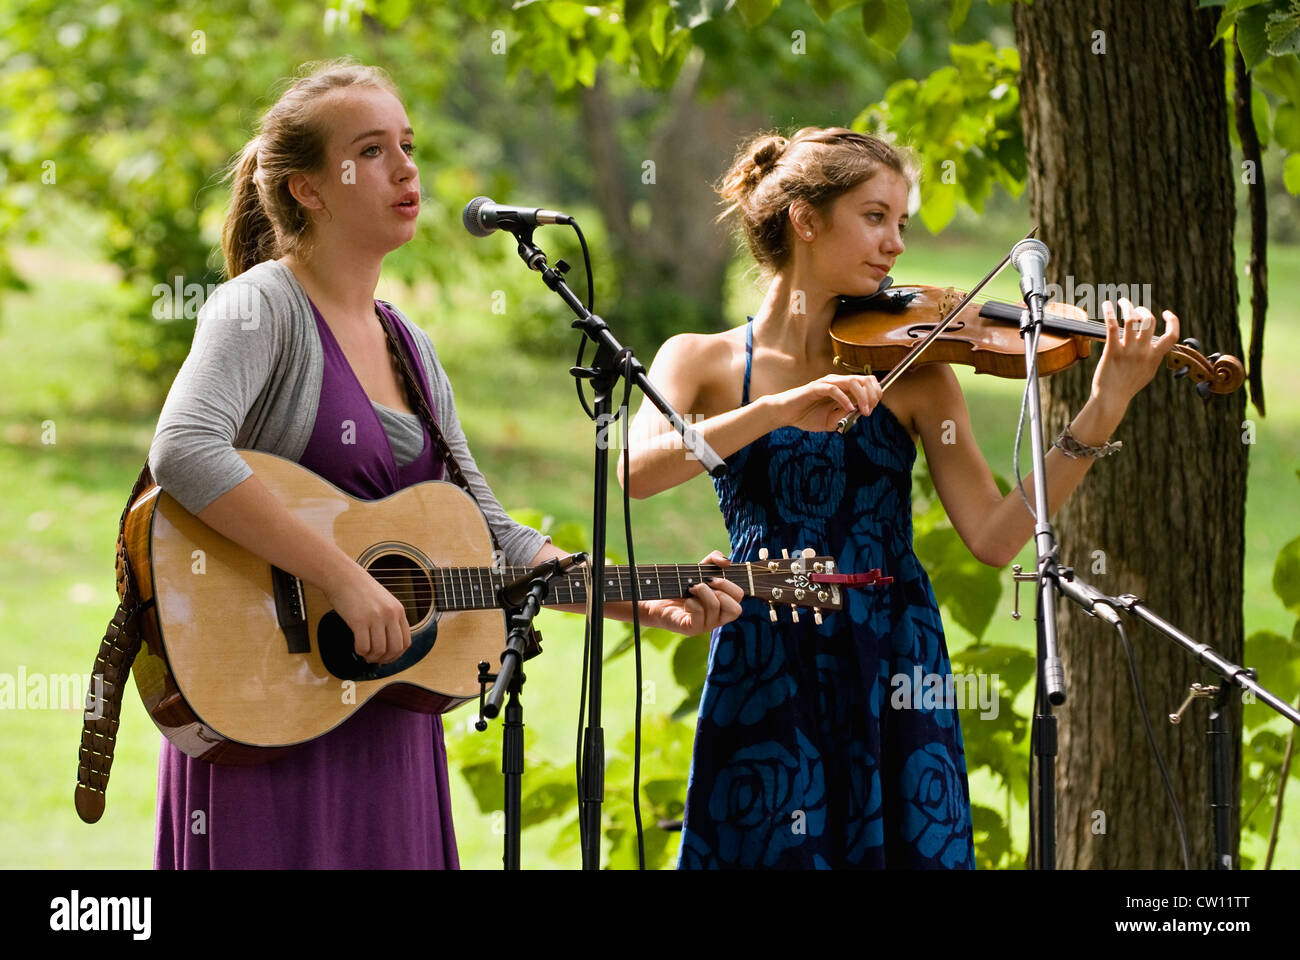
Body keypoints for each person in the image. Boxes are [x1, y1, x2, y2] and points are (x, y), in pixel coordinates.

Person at [146, 59, 743, 869]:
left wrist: (645, 599)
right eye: (371, 149)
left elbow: (494, 539)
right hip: (270, 715)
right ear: (308, 190)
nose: (406, 168)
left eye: (408, 145)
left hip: (388, 721)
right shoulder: (262, 307)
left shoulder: (411, 347)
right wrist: (346, 578)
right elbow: (184, 448)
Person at [619, 127, 1179, 869]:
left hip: (895, 654)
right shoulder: (701, 359)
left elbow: (994, 534)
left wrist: (1102, 406)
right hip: (765, 646)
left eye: (902, 223)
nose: (895, 245)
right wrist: (781, 408)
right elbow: (637, 471)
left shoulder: (916, 370)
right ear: (806, 220)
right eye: (875, 216)